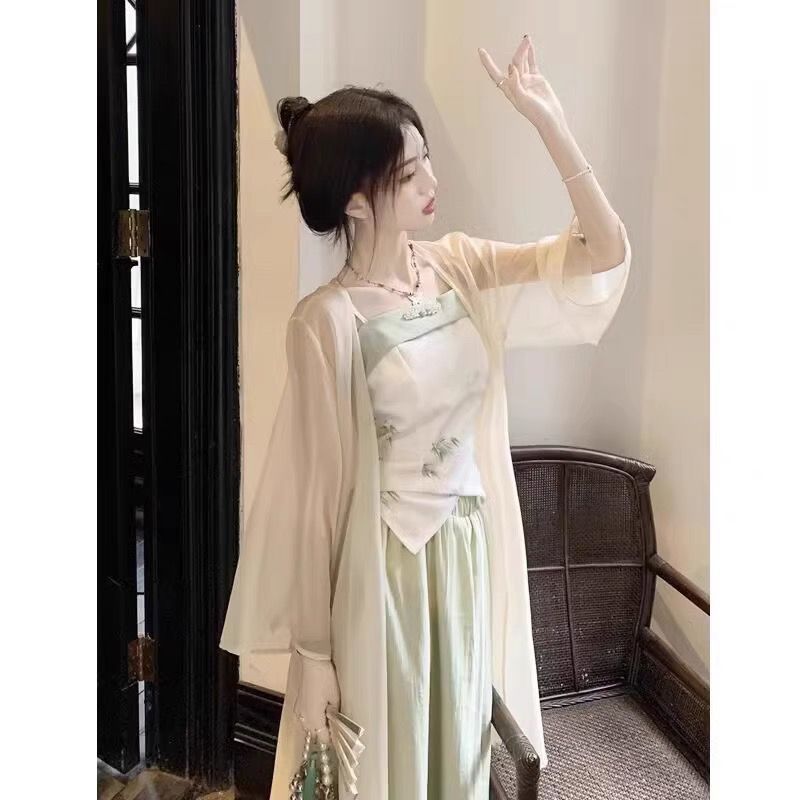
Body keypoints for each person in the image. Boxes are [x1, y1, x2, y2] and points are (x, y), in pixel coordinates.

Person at [220, 33, 632, 800]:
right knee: (388, 762)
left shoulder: (460, 264)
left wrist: (549, 121)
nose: (433, 183)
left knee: (458, 758)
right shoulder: (326, 321)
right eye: (410, 173)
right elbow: (316, 505)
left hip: (467, 555)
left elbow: (602, 252)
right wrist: (313, 656)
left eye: (426, 161)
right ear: (355, 198)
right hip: (383, 575)